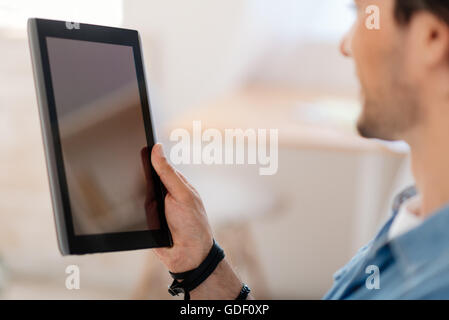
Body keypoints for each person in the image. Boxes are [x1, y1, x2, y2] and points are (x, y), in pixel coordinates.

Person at [145, 0, 449, 299]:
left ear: (431, 37)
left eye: (360, 12)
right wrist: (201, 263)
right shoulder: (411, 218)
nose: (346, 45)